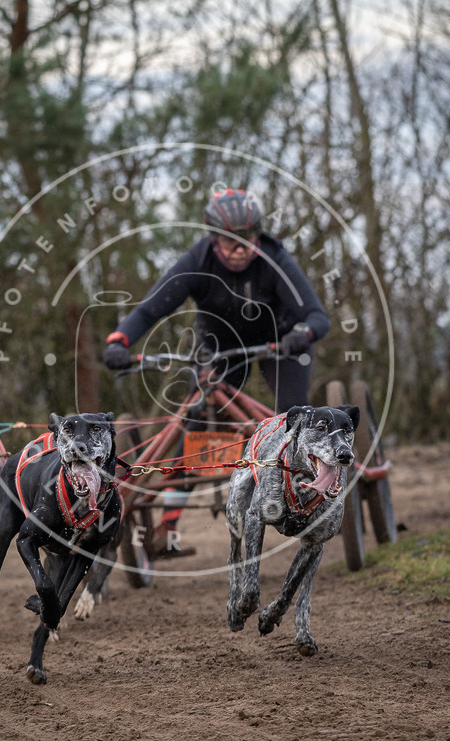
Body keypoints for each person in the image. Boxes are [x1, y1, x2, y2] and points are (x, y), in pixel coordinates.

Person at [102, 187, 331, 557]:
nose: (241, 249)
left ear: (259, 233)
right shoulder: (197, 260)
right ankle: (166, 528)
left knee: (292, 420)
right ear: (213, 237)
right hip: (219, 349)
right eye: (231, 241)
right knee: (195, 428)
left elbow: (318, 317)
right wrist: (119, 341)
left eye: (249, 238)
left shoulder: (276, 260)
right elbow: (149, 310)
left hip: (280, 345)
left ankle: (308, 492)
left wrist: (301, 334)